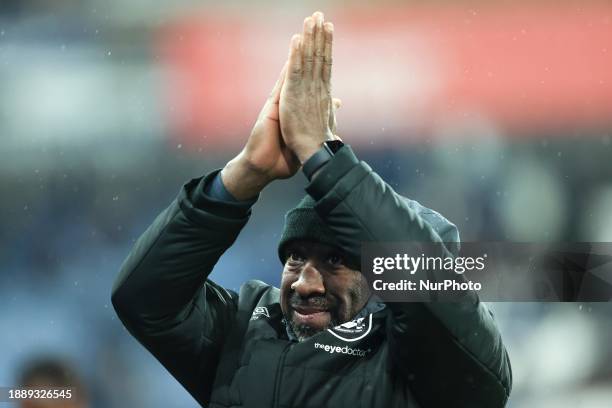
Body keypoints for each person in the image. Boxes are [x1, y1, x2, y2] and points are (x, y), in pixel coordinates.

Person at [112, 11, 512, 408]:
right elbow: (144, 298)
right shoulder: (246, 329)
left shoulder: (425, 361)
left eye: (336, 260)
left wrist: (324, 159)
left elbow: (428, 286)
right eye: (296, 257)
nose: (305, 283)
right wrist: (245, 174)